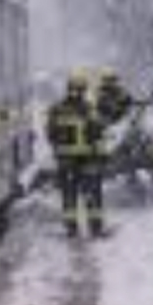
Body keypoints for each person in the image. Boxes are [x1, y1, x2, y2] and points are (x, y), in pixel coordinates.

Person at [45, 72, 107, 237]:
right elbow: (99, 133)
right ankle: (96, 228)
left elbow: (50, 134)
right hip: (88, 161)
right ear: (83, 89)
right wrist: (101, 157)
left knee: (69, 197)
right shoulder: (90, 110)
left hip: (67, 162)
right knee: (92, 195)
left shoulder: (56, 109)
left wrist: (60, 150)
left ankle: (71, 229)